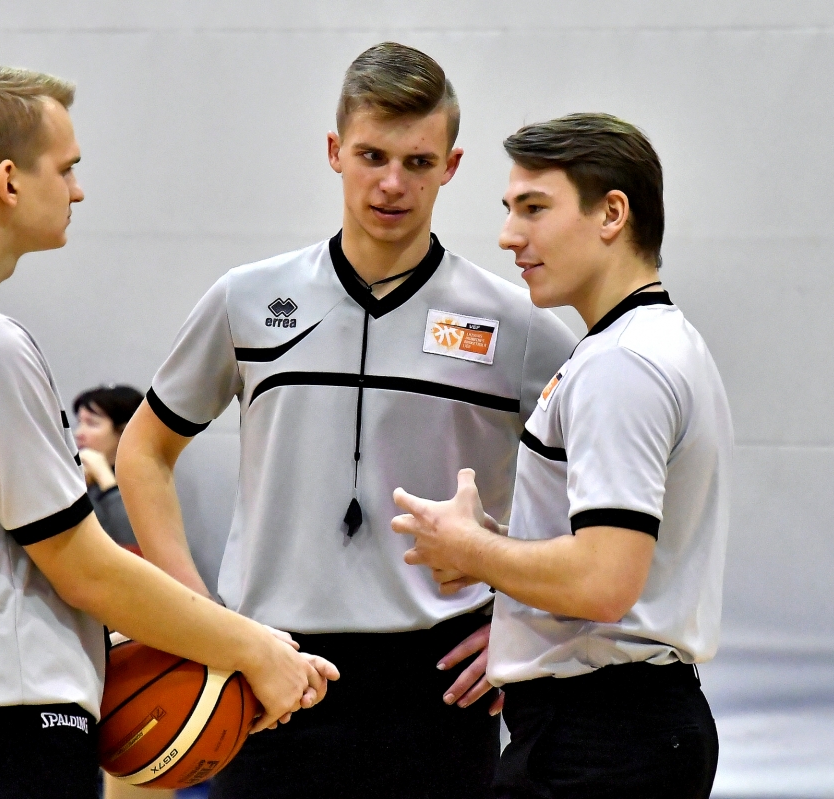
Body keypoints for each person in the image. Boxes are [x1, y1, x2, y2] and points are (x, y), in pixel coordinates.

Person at [0, 63, 336, 799]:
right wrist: (254, 648)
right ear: (9, 181)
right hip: (6, 747)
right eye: (66, 168)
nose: (78, 190)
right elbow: (84, 566)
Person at [117, 43, 577, 799]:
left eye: (418, 162)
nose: (393, 183)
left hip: (438, 688)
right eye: (372, 156)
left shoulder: (516, 325)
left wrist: (530, 619)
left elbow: (609, 498)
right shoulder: (247, 299)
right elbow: (143, 453)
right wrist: (199, 619)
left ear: (452, 166)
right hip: (272, 675)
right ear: (335, 152)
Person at [393, 113, 730, 798]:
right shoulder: (650, 343)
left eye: (534, 208)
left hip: (602, 738)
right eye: (509, 209)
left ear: (612, 213)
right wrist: (492, 545)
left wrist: (473, 550)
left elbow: (604, 581)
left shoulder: (622, 364)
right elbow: (611, 558)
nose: (508, 235)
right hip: (621, 728)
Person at [73, 384, 142, 549]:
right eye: (79, 423)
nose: (78, 434)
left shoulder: (146, 482)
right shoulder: (80, 478)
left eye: (92, 424)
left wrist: (106, 479)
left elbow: (134, 543)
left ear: (124, 431)